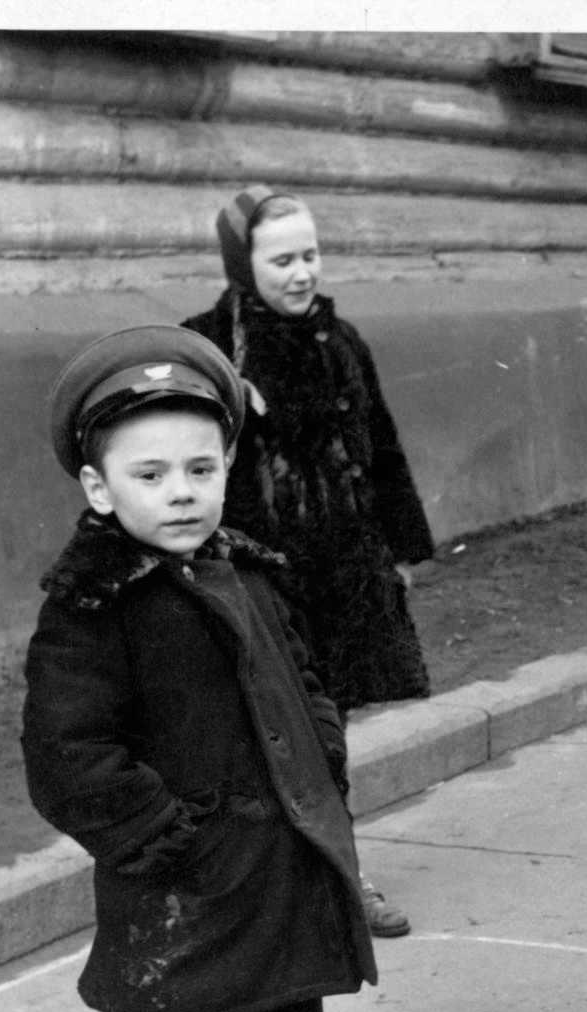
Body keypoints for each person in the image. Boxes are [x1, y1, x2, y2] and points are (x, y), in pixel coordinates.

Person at [22, 326, 392, 1012]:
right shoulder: (94, 606)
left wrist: (319, 779)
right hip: (185, 908)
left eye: (200, 467)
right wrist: (173, 847)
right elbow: (69, 756)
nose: (180, 491)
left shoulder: (251, 574)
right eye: (149, 474)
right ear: (97, 487)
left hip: (279, 889)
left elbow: (305, 692)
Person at [183, 185, 433, 938]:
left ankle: (339, 879)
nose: (301, 273)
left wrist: (401, 548)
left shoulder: (342, 341)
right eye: (282, 259)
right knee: (252, 731)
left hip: (343, 570)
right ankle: (253, 883)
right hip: (257, 576)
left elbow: (381, 447)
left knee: (326, 729)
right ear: (243, 263)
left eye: (311, 255)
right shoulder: (207, 345)